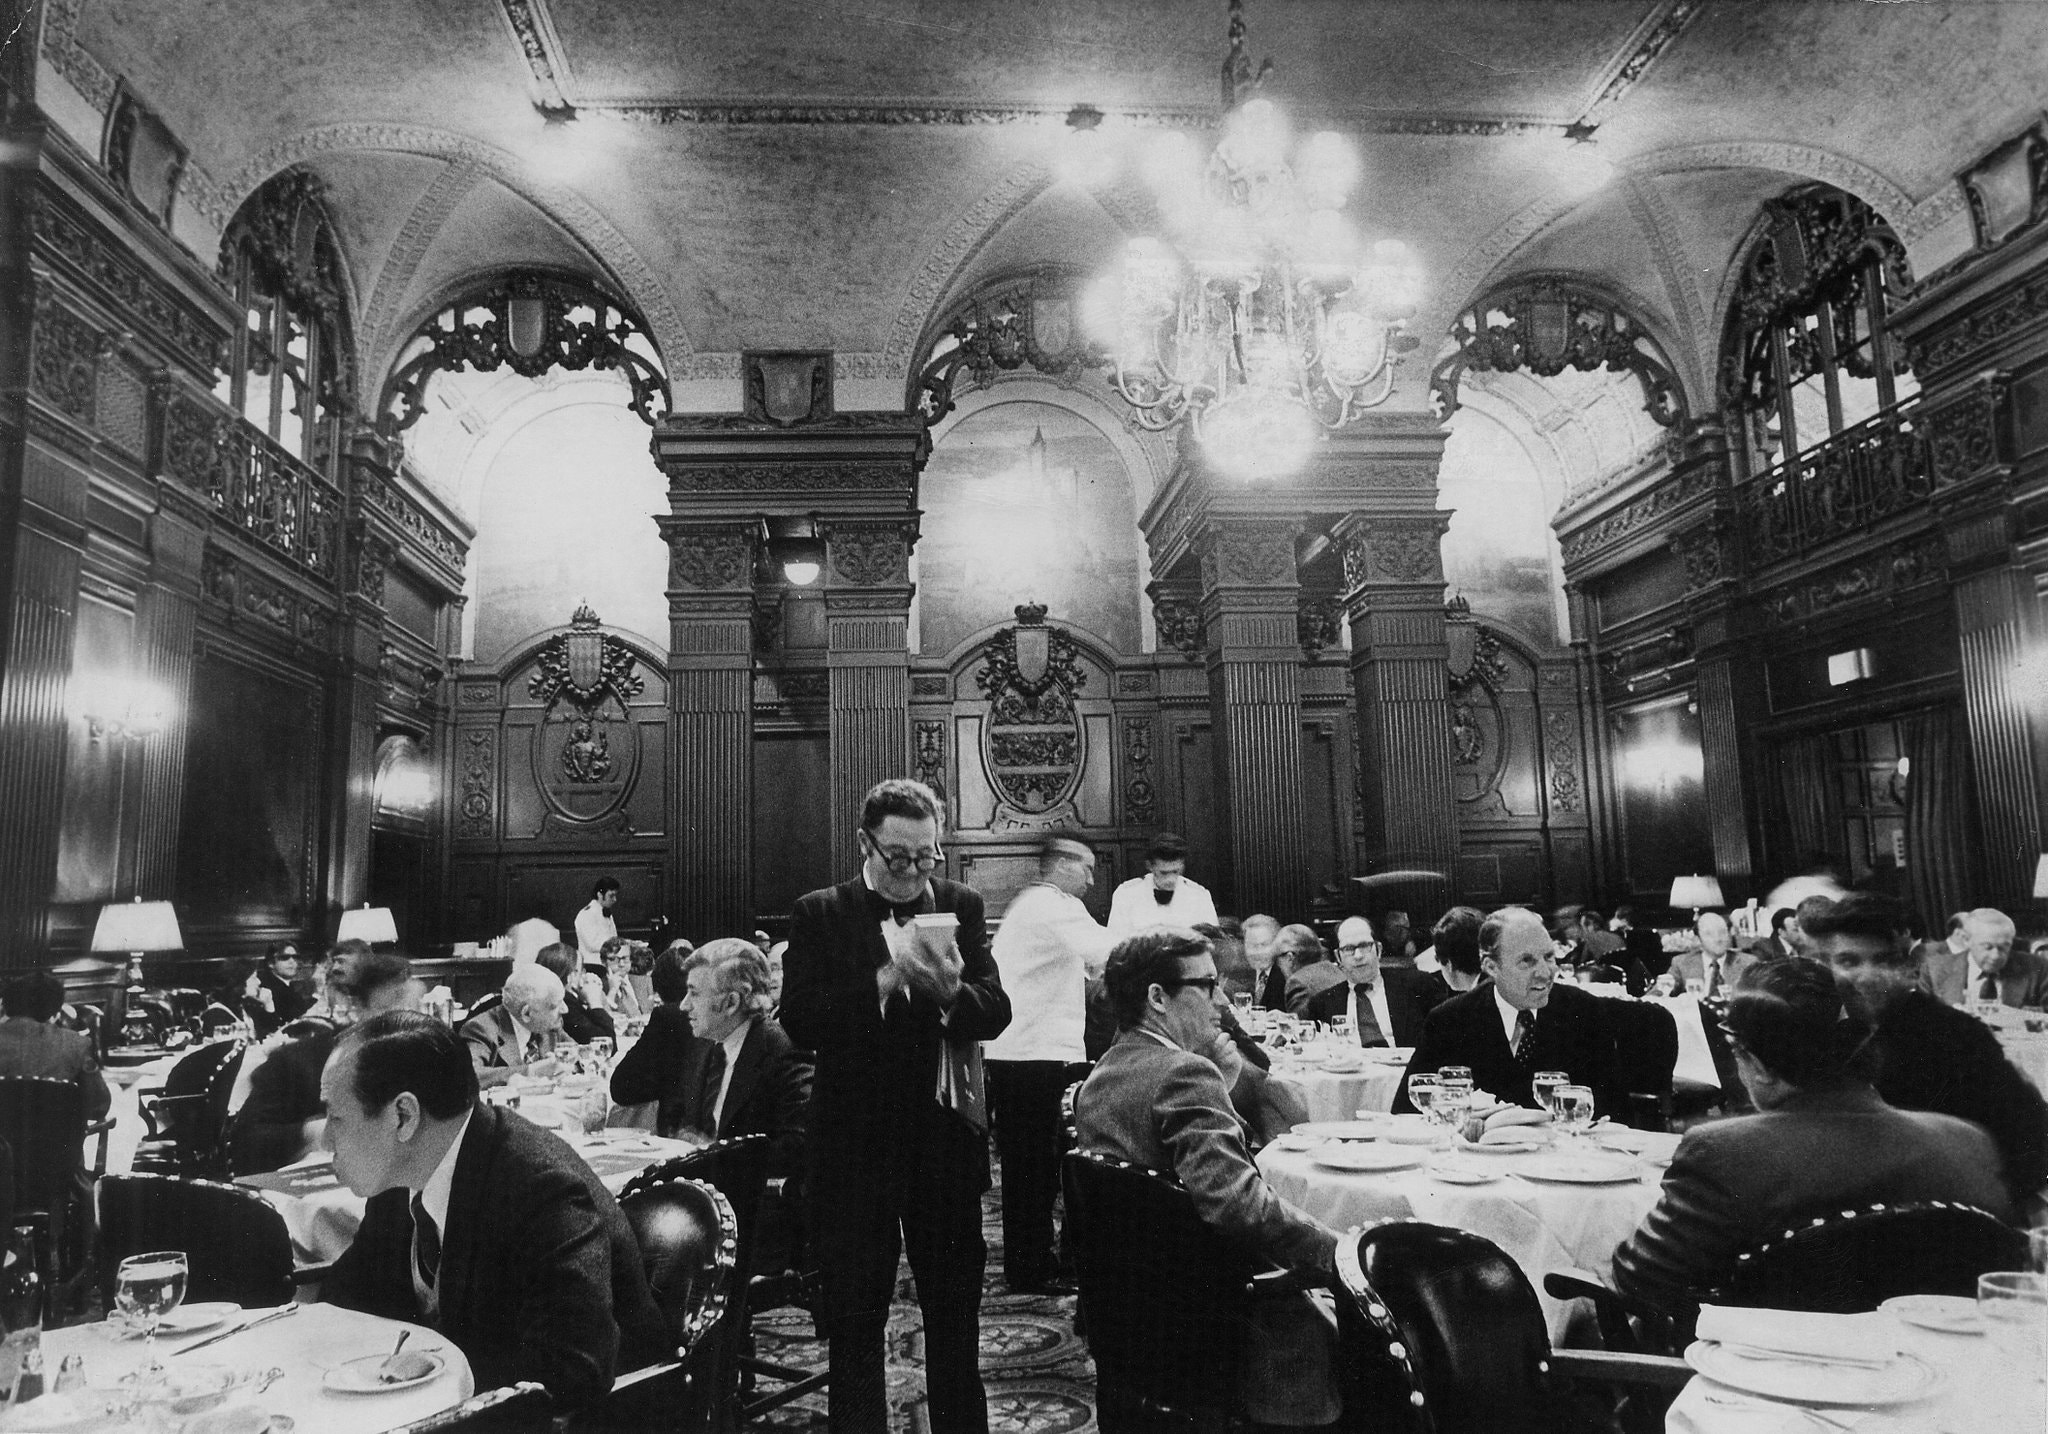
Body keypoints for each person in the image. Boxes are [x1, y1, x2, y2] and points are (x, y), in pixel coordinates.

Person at [780, 777, 1011, 1434]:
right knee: (855, 1325)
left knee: (954, 1321)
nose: (914, 872)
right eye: (898, 857)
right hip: (854, 1149)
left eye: (926, 856)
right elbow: (798, 1020)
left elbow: (997, 1011)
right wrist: (882, 983)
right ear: (865, 843)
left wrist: (948, 993)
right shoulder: (820, 912)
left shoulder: (960, 904)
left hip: (944, 1146)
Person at [1611, 957, 2015, 1314]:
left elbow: (1643, 1280)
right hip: (1940, 1375)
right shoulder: (1970, 1141)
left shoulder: (1721, 1152)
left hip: (1768, 1384)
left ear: (1756, 1063)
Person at [319, 1012, 668, 1408]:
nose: (326, 1138)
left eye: (336, 1116)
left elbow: (575, 1365)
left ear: (403, 1116)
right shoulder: (400, 1175)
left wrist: (439, 1368)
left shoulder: (538, 1187)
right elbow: (346, 1294)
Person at [1073, 927, 1342, 1428]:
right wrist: (1340, 1251)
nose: (1221, 1001)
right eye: (1208, 985)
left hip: (1134, 1313)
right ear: (1158, 997)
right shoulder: (1184, 1073)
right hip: (1213, 1318)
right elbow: (1237, 1205)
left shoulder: (1104, 1072)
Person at [1806, 892, 2047, 1205]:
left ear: (1909, 966)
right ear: (1823, 966)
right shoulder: (1819, 1036)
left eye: (1883, 960)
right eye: (1848, 961)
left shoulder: (1958, 1035)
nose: (1867, 977)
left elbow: (2028, 1135)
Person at [982, 833, 1115, 1294]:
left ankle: (1033, 1261)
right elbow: (1108, 952)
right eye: (1087, 868)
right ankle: (1030, 1268)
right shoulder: (1050, 904)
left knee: (1034, 1166)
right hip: (1030, 1055)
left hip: (1024, 1053)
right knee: (1033, 1169)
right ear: (1061, 865)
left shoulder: (1036, 906)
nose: (1093, 878)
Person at [1395, 906, 1625, 1116]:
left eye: (1549, 957)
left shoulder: (1585, 1012)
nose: (1545, 973)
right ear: (1491, 967)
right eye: (1527, 961)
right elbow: (1406, 1113)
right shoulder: (1448, 1021)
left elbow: (1615, 1112)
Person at [608, 939, 810, 1168]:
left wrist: (714, 1155)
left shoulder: (779, 1052)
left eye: (693, 993)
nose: (684, 1006)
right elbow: (680, 1113)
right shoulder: (707, 1040)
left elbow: (798, 1147)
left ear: (731, 1002)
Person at [228, 948, 420, 1175]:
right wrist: (312, 1132)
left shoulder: (422, 1062)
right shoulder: (301, 1061)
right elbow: (244, 1144)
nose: (409, 1023)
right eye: (391, 1009)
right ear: (358, 1007)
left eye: (417, 1010)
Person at [1304, 915, 1444, 1047]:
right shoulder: (1322, 1004)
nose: (1358, 956)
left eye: (1364, 946)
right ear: (1338, 957)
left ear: (1379, 950)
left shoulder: (1418, 986)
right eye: (1348, 949)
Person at [0, 971, 111, 1122]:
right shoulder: (75, 1044)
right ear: (56, 1013)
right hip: (57, 1144)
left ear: (6, 1006)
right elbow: (99, 1107)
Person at [459, 964, 568, 1089]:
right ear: (526, 1013)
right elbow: (471, 1076)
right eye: (555, 1005)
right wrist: (530, 1071)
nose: (565, 1009)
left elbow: (578, 1055)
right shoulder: (481, 1028)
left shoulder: (549, 1027)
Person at [1923, 907, 2048, 1010]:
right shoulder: (1935, 969)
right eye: (1987, 947)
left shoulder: (2038, 968)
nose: (1996, 956)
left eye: (2004, 947)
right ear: (1967, 940)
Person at [1105, 832, 1218, 941]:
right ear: (1150, 866)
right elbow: (1117, 944)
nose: (1171, 880)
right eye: (1164, 873)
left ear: (1182, 865)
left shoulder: (1199, 896)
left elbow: (1211, 942)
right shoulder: (1127, 895)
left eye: (1175, 872)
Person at [535, 942, 617, 1044]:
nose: (584, 975)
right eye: (578, 970)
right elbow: (607, 1045)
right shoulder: (564, 1003)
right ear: (570, 976)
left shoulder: (568, 999)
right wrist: (595, 1001)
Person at [1671, 911, 1751, 1000]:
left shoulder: (1748, 963)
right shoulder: (1682, 963)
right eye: (1709, 934)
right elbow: (1657, 995)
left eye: (1722, 932)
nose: (1718, 939)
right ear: (1698, 939)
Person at [1280, 925, 1343, 1015]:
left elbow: (1301, 1026)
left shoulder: (1298, 981)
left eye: (1277, 958)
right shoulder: (1335, 970)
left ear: (1289, 957)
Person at [255, 942, 311, 1025]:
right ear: (271, 963)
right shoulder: (268, 988)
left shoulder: (286, 984)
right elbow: (298, 1018)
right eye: (285, 957)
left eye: (295, 957)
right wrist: (317, 993)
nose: (292, 961)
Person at [1241, 914, 1287, 1009]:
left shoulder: (1287, 977)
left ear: (1277, 945)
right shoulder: (1239, 976)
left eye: (1264, 945)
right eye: (1252, 945)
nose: (1258, 952)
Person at [597, 937, 646, 1023]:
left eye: (625, 958)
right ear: (604, 962)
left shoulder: (644, 981)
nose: (621, 964)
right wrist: (612, 990)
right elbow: (601, 1018)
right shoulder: (598, 987)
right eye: (614, 959)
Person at [575, 877, 621, 967]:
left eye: (615, 895)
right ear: (600, 895)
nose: (615, 899)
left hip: (607, 963)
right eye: (611, 896)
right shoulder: (586, 914)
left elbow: (614, 937)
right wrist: (619, 944)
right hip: (593, 965)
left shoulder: (607, 913)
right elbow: (593, 945)